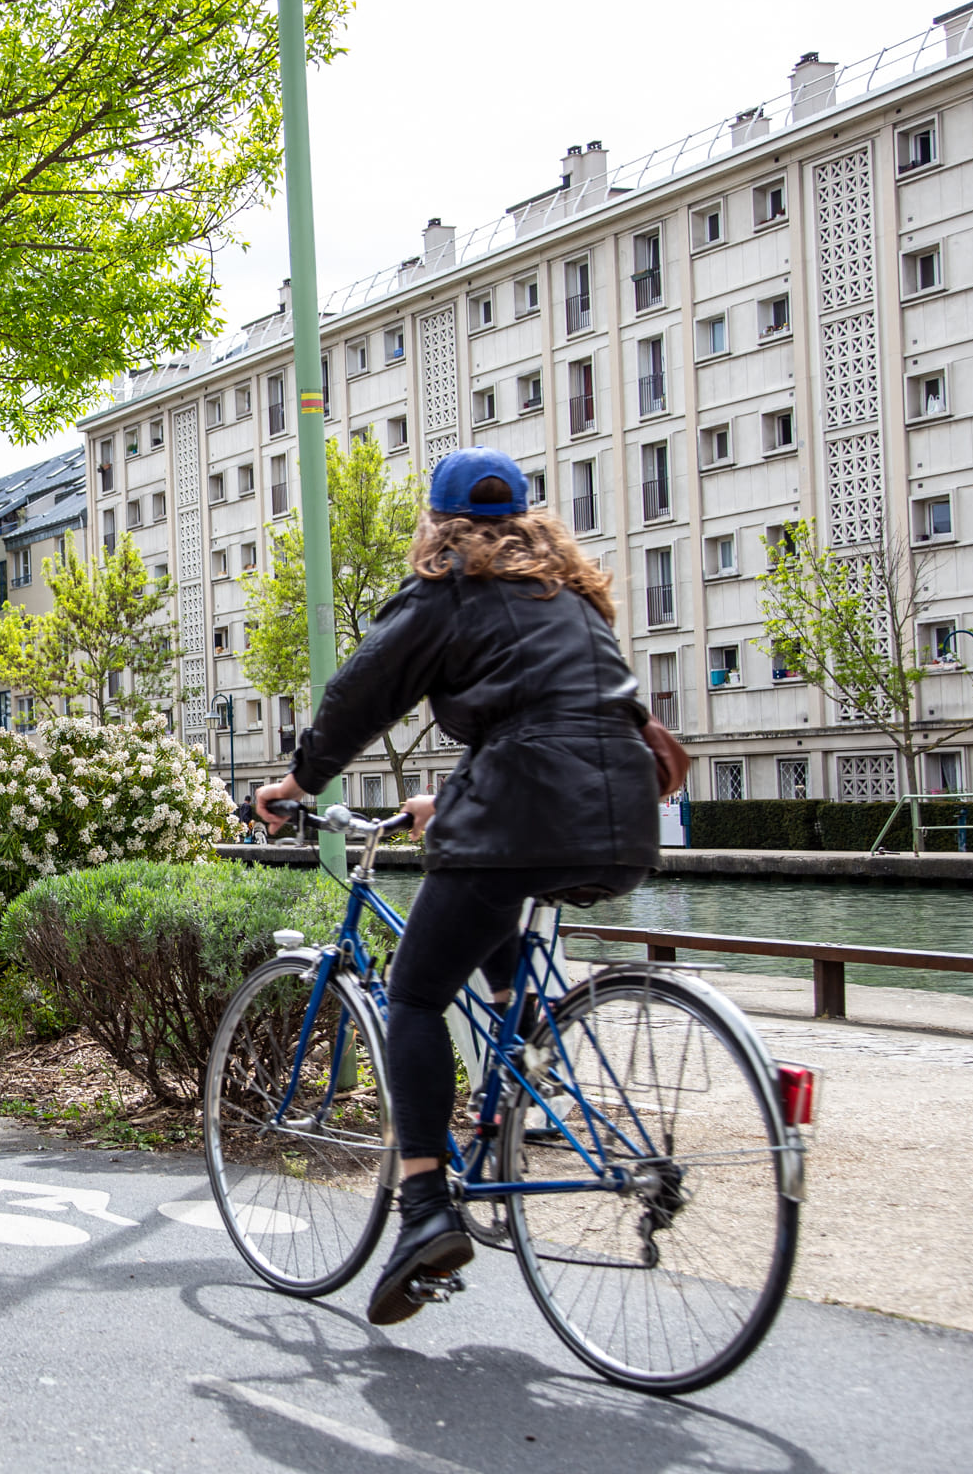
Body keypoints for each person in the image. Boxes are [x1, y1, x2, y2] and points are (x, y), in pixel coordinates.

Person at [252, 446, 683, 1327]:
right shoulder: (569, 595)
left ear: (439, 525)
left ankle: (423, 1209)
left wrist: (298, 781)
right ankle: (525, 1054)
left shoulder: (447, 589)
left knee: (413, 993)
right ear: (527, 519)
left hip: (524, 806)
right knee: (487, 894)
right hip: (623, 812)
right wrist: (448, 802)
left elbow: (361, 694)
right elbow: (557, 720)